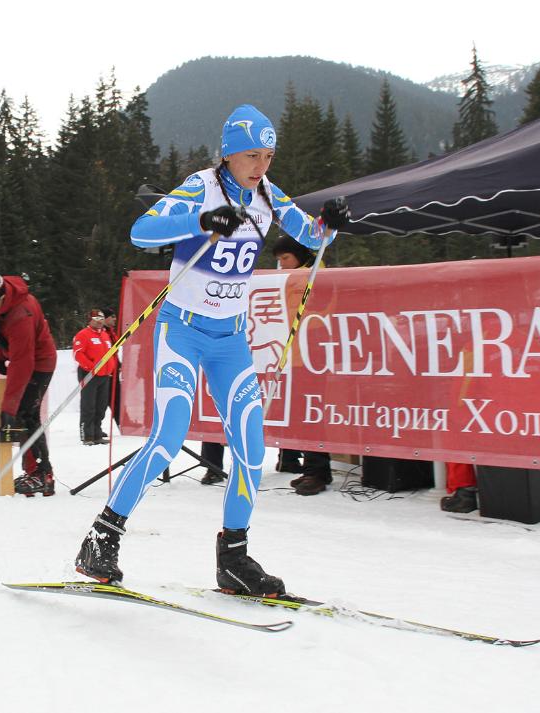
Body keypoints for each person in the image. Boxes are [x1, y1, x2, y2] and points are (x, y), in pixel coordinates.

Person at [74, 104, 349, 595]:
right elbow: (141, 231)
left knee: (251, 447)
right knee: (167, 436)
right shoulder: (202, 185)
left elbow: (313, 234)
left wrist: (331, 220)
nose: (261, 166)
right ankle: (102, 536)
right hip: (182, 331)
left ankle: (234, 559)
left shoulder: (268, 194)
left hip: (229, 341)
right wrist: (201, 219)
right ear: (229, 153)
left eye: (268, 155)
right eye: (251, 156)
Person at [0, 270, 58, 496]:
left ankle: (42, 475)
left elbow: (23, 363)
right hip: (24, 358)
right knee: (23, 415)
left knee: (25, 414)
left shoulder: (20, 315)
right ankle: (34, 471)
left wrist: (8, 408)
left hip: (40, 363)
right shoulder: (0, 303)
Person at [271, 235, 334, 496]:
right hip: (293, 354)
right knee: (302, 411)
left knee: (312, 410)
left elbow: (325, 309)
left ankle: (317, 471)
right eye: (279, 260)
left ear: (299, 254)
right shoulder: (289, 276)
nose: (282, 264)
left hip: (313, 353)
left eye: (286, 258)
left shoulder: (317, 273)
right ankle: (312, 466)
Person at [73, 309, 116, 445]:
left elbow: (110, 353)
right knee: (89, 405)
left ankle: (97, 434)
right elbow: (78, 354)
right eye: (96, 319)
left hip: (104, 375)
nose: (99, 322)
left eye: (101, 319)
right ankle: (87, 435)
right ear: (90, 320)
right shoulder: (83, 335)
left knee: (101, 406)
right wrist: (91, 367)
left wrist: (112, 366)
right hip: (89, 374)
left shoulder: (104, 335)